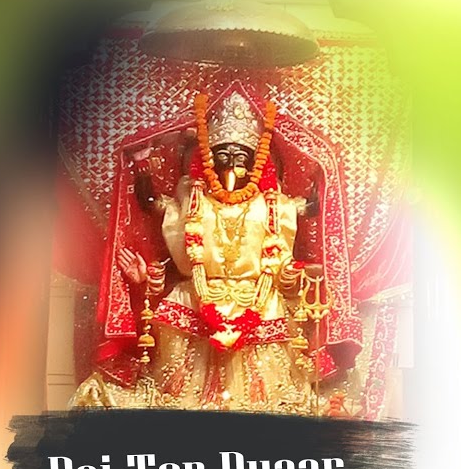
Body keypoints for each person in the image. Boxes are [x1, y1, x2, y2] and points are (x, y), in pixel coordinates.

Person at [72, 91, 323, 412]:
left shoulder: (275, 206)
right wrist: (142, 167)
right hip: (197, 297)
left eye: (241, 156)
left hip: (258, 300)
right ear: (208, 158)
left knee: (268, 399)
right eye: (223, 155)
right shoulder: (192, 201)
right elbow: (152, 206)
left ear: (256, 162)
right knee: (175, 396)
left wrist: (291, 274)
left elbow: (297, 234)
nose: (232, 164)